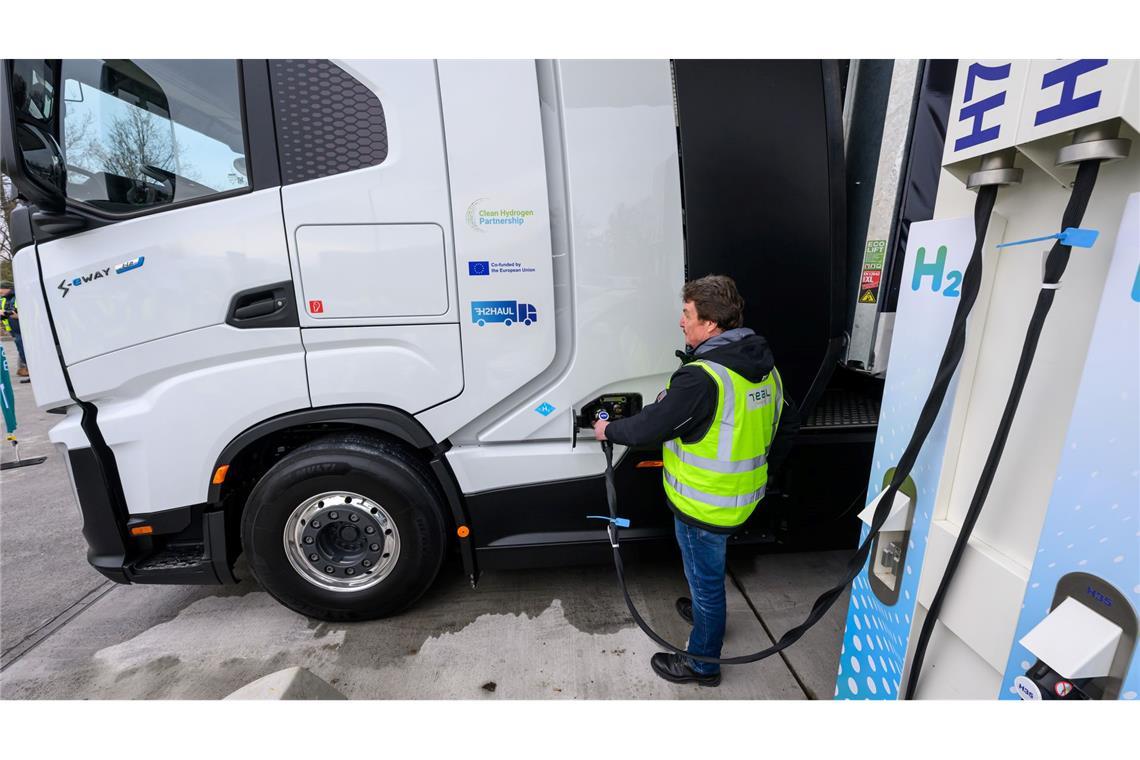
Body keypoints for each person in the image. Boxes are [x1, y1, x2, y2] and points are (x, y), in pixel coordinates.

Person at [593, 274, 791, 687]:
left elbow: (651, 426)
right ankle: (706, 616)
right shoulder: (763, 366)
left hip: (704, 504)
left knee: (706, 584)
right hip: (740, 496)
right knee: (707, 576)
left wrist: (607, 430)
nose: (681, 321)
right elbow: (783, 426)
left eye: (687, 314)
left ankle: (702, 664)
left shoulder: (704, 377)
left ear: (711, 323)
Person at [0, 282, 28, 378]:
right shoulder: (3, 299)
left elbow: (28, 312)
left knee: (26, 351)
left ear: (7, 288)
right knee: (22, 350)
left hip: (24, 329)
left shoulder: (19, 296)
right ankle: (27, 370)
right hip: (14, 331)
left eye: (1, 288)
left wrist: (17, 316)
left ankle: (28, 370)